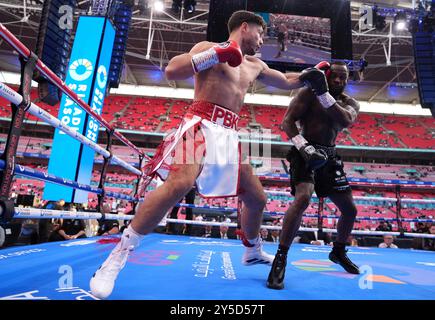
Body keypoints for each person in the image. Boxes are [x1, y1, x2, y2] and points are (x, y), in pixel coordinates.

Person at [90, 10, 308, 299]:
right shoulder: (208, 48)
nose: (263, 39)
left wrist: (313, 76)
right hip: (201, 123)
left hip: (229, 135)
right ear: (245, 27)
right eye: (261, 33)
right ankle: (117, 257)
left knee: (257, 198)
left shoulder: (256, 64)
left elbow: (287, 80)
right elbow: (172, 70)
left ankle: (252, 251)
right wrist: (217, 54)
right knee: (178, 184)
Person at [267, 61, 361, 290]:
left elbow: (345, 120)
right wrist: (303, 147)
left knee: (350, 210)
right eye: (334, 76)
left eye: (343, 78)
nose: (338, 81)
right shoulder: (307, 94)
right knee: (302, 198)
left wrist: (324, 92)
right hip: (304, 151)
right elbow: (287, 122)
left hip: (329, 155)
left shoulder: (351, 103)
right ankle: (280, 258)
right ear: (326, 75)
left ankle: (338, 251)